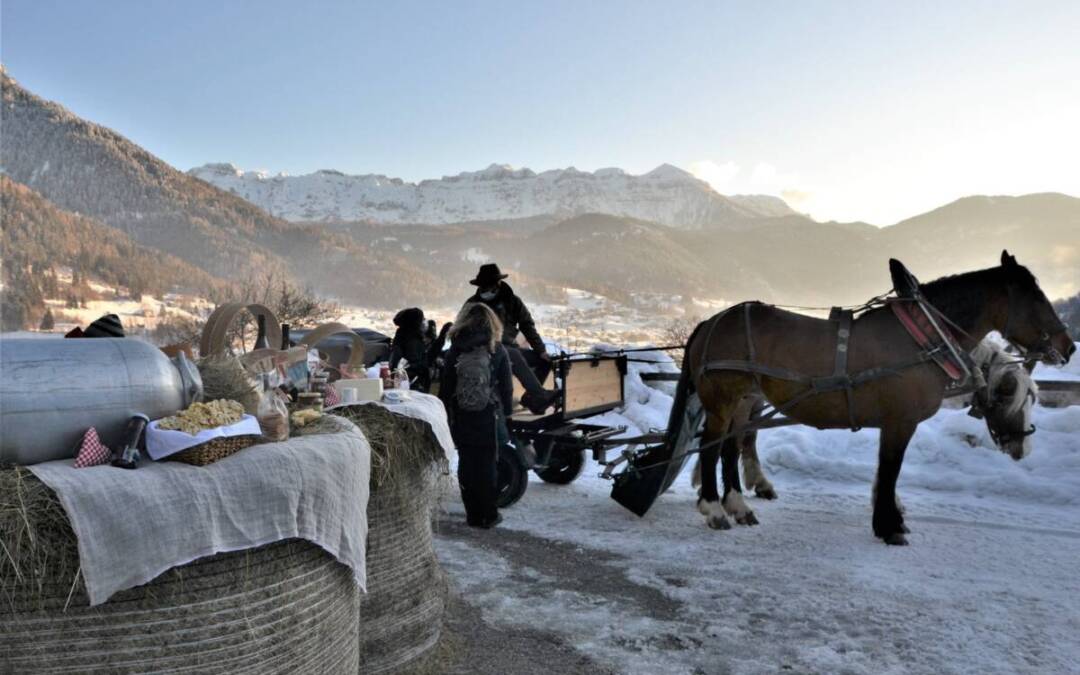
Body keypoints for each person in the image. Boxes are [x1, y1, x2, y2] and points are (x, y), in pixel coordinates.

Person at [440, 303, 514, 529]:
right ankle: (489, 515)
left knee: (466, 465)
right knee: (487, 466)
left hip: (462, 416)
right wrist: (507, 413)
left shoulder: (455, 350)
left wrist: (447, 415)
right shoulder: (497, 349)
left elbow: (446, 388)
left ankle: (472, 515)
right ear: (492, 323)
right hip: (488, 416)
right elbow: (507, 388)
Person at [464, 263, 559, 415]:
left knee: (544, 361)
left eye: (489, 286)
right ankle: (540, 395)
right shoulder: (472, 305)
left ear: (498, 284)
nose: (486, 290)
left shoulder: (512, 301)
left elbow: (527, 326)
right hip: (483, 350)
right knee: (513, 354)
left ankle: (531, 399)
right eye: (483, 287)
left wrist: (541, 350)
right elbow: (462, 330)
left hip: (509, 348)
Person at [389, 307, 430, 391]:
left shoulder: (402, 335)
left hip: (405, 382)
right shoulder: (413, 340)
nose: (424, 322)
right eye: (422, 319)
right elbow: (415, 364)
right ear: (415, 322)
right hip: (413, 384)